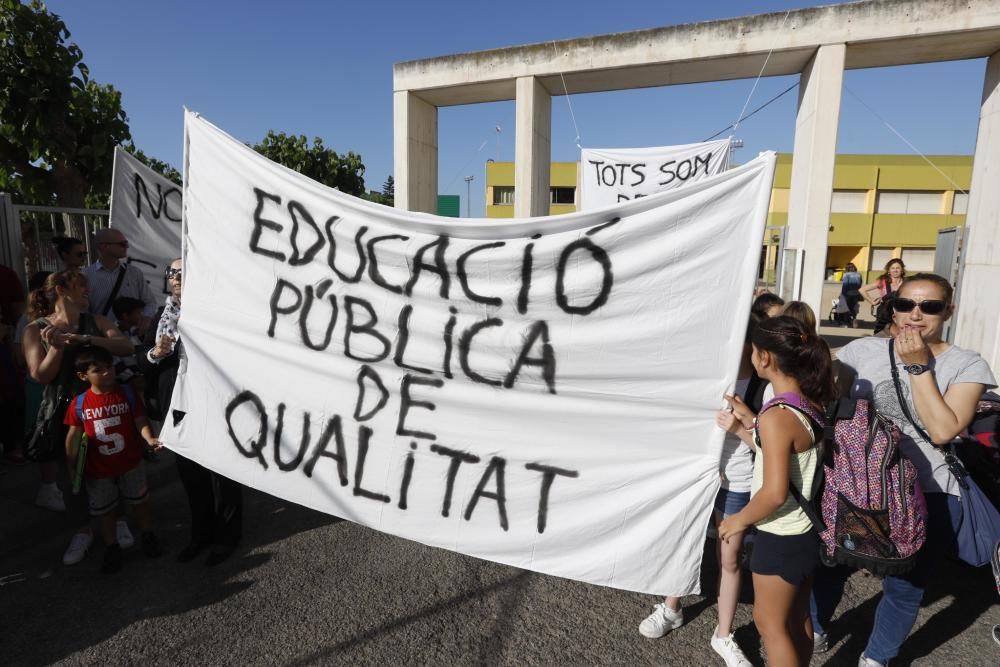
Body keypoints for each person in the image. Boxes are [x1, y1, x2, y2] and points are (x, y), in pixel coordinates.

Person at [825, 272, 996, 666]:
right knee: (833, 565)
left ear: (947, 311)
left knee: (906, 585)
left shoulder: (966, 363)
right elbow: (833, 410)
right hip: (861, 485)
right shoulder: (861, 351)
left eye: (929, 306)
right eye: (905, 304)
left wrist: (920, 368)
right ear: (893, 306)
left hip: (931, 488)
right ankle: (816, 629)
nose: (915, 315)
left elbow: (943, 430)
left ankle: (876, 657)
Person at [639, 315, 763, 667]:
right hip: (695, 476)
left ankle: (723, 635)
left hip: (736, 481)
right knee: (683, 540)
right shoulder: (705, 374)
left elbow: (770, 444)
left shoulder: (761, 384)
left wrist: (740, 427)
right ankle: (671, 608)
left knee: (729, 557)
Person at [719, 316, 835, 667]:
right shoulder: (807, 402)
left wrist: (736, 521)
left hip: (780, 533)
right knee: (798, 619)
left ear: (765, 358)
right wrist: (747, 425)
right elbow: (780, 452)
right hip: (805, 533)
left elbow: (774, 492)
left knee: (769, 624)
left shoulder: (776, 416)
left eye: (754, 351)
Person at [21, 270, 136, 565]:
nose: (87, 289)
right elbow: (41, 375)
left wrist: (88, 338)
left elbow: (125, 346)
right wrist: (57, 349)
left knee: (112, 465)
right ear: (61, 289)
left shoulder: (95, 321)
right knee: (71, 472)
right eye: (80, 284)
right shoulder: (36, 329)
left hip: (103, 408)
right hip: (64, 413)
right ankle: (83, 530)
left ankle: (118, 519)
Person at [138, 259, 243, 566]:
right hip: (178, 408)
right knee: (192, 477)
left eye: (186, 271)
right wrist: (155, 353)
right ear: (167, 279)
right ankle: (202, 535)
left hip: (215, 403)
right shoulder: (161, 316)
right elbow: (141, 361)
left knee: (224, 474)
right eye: (173, 272)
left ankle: (227, 537)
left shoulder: (215, 313)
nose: (179, 277)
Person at [63, 346, 163, 573]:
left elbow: (140, 419)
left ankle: (148, 534)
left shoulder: (126, 393)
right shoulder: (79, 404)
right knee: (104, 510)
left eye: (109, 367)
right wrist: (72, 467)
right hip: (98, 469)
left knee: (140, 501)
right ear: (83, 376)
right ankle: (111, 547)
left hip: (130, 462)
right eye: (98, 370)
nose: (107, 373)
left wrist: (148, 438)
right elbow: (73, 437)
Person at [83, 228, 157, 319]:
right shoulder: (86, 275)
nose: (127, 247)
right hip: (102, 332)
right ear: (104, 246)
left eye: (126, 243)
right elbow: (83, 310)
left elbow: (150, 303)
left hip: (132, 332)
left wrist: (143, 320)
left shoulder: (134, 273)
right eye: (122, 244)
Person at [862, 258, 905, 335]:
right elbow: (862, 290)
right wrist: (871, 301)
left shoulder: (907, 282)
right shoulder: (882, 281)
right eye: (893, 268)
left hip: (902, 312)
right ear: (889, 271)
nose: (895, 270)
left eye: (898, 268)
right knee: (879, 335)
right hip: (884, 313)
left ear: (902, 270)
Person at [836, 263, 863, 328]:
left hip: (847, 294)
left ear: (847, 268)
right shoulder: (859, 274)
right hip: (856, 293)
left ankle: (846, 324)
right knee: (853, 308)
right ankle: (854, 320)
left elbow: (845, 285)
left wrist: (842, 294)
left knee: (846, 308)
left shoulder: (846, 275)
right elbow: (860, 284)